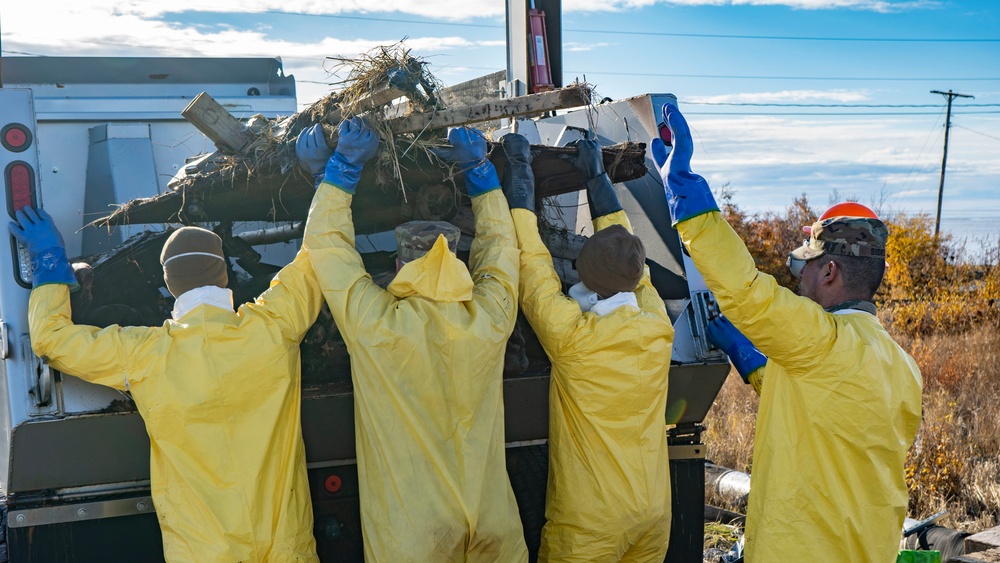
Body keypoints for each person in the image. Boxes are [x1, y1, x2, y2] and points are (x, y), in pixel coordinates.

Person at [650, 102, 923, 562]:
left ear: (830, 270)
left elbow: (744, 289)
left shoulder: (820, 340)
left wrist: (685, 190)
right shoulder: (901, 365)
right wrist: (746, 355)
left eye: (806, 266)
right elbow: (821, 406)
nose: (799, 279)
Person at [11, 211, 322, 561]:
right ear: (224, 273)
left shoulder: (146, 353)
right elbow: (314, 256)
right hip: (288, 550)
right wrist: (336, 176)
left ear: (169, 283)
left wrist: (48, 259)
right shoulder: (273, 326)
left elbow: (52, 340)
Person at [297, 118, 528, 562]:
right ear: (456, 258)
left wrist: (339, 171)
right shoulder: (491, 316)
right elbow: (501, 250)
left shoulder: (375, 324)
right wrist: (480, 173)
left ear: (400, 264)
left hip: (414, 536)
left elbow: (329, 250)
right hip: (493, 522)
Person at [496, 133, 674, 562]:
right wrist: (595, 175)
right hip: (653, 515)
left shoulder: (572, 337)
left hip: (590, 526)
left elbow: (532, 266)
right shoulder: (658, 327)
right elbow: (636, 266)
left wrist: (520, 174)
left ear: (584, 278)